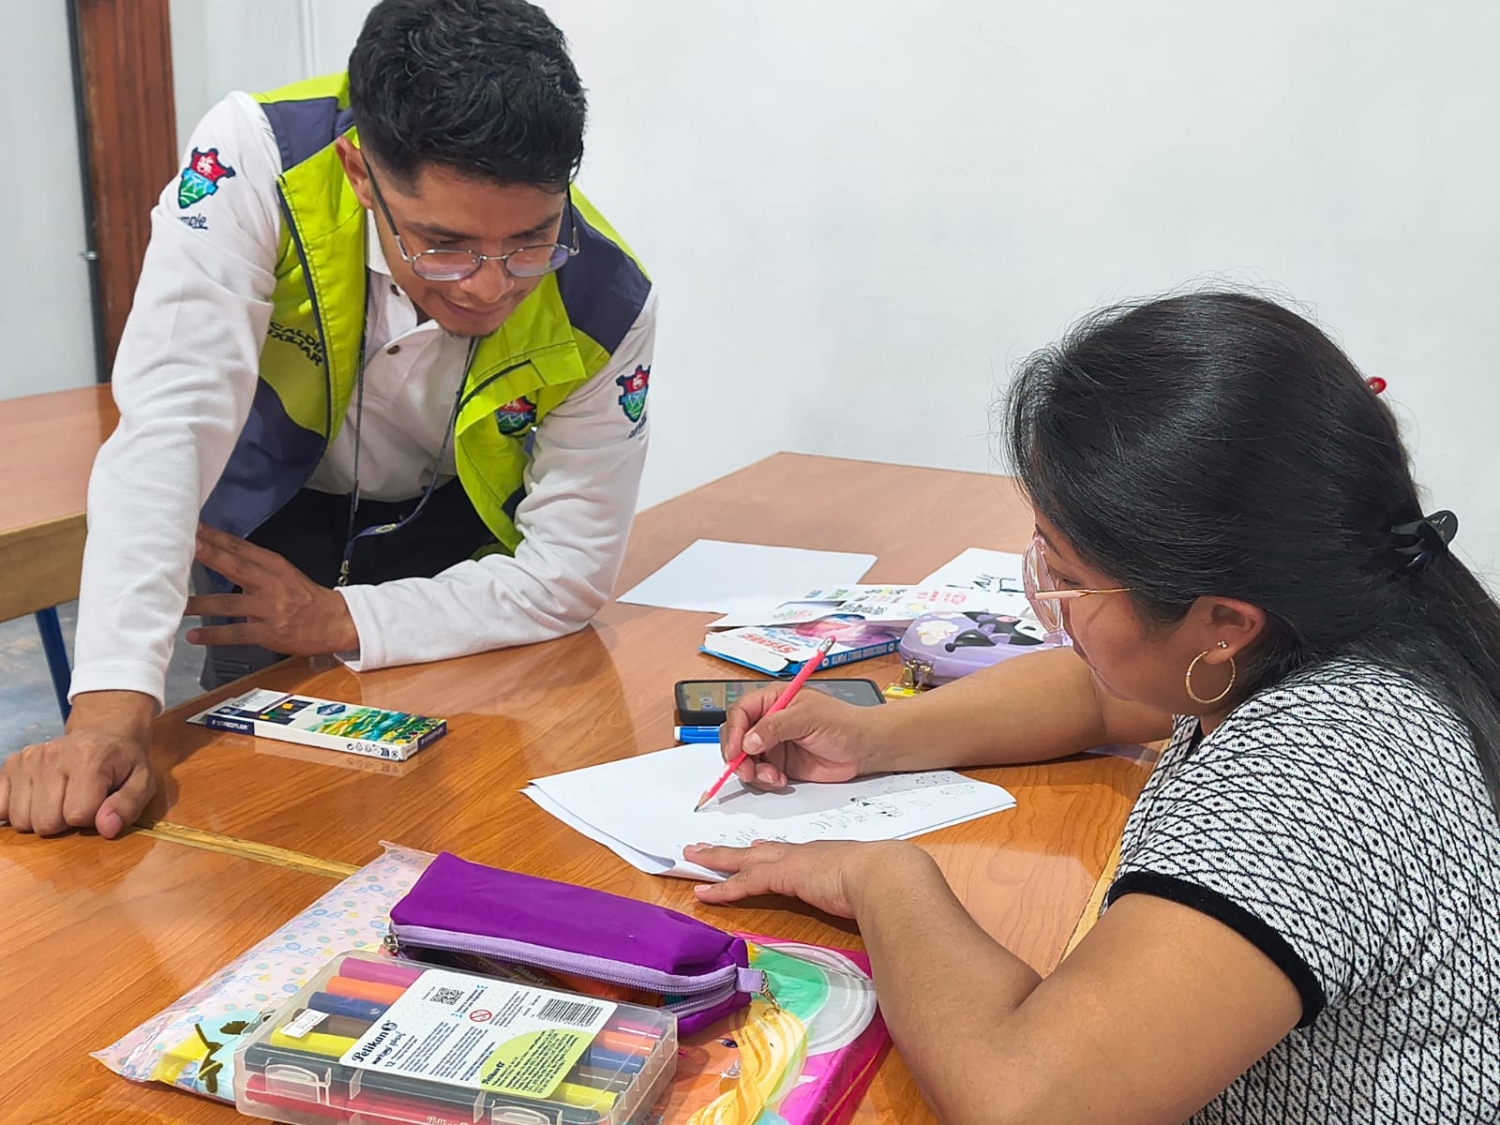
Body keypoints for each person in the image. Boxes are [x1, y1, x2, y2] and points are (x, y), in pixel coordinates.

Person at [688, 293, 1500, 1123]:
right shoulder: (1336, 620)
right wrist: (875, 734)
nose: (1047, 590)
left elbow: (1025, 1101)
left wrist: (880, 873)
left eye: (1071, 575)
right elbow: (1099, 695)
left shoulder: (1320, 771)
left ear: (1222, 622)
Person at [0, 0, 654, 838]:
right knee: (250, 820)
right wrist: (107, 706)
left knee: (460, 819)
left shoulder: (610, 300)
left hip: (454, 573)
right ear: (358, 171)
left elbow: (569, 569)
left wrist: (345, 618)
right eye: (443, 245)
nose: (489, 286)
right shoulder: (256, 164)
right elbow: (170, 423)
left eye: (530, 242)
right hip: (270, 532)